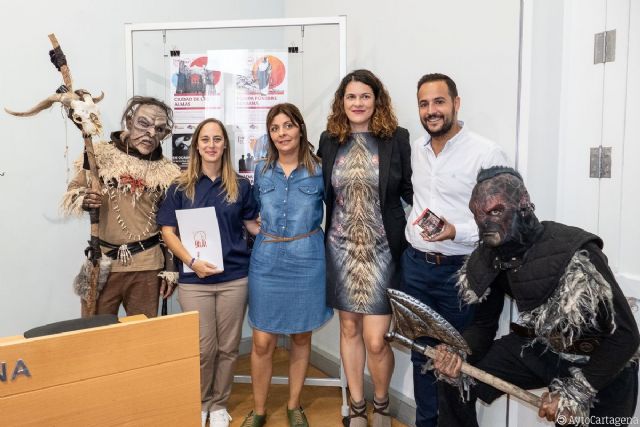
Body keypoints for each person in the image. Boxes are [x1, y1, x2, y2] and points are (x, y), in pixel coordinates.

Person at [433, 166, 640, 426]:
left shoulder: (574, 251)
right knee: (456, 378)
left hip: (601, 359)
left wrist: (576, 392)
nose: (486, 223)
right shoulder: (490, 256)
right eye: (478, 215)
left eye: (496, 211)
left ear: (523, 205)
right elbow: (483, 325)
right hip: (544, 347)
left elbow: (626, 336)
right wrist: (458, 353)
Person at [401, 73, 509, 427]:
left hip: (461, 273)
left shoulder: (486, 153)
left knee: (455, 365)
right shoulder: (417, 148)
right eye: (424, 104)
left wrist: (455, 231)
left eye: (439, 102)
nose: (431, 111)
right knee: (422, 355)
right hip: (416, 269)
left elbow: (505, 220)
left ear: (456, 103)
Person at [317, 69, 412, 427]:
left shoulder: (396, 138)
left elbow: (411, 191)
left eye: (365, 96)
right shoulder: (330, 139)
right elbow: (320, 191)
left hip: (383, 250)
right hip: (341, 247)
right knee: (349, 330)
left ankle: (382, 403)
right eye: (351, 97)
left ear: (377, 100)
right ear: (342, 102)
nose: (358, 103)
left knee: (376, 340)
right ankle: (357, 406)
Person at [157, 118, 260, 427]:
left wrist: (284, 231)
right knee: (204, 348)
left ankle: (219, 404)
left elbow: (252, 225)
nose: (211, 145)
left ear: (225, 145)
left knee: (228, 347)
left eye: (217, 139)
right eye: (205, 139)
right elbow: (167, 231)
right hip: (194, 279)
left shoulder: (241, 185)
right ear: (197, 146)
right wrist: (192, 261)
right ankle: (201, 402)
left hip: (234, 278)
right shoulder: (180, 186)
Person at [241, 103, 333, 427]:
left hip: (307, 260)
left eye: (288, 126)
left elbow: (337, 213)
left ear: (300, 129)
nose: (282, 133)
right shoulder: (262, 170)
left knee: (301, 337)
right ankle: (259, 410)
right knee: (262, 341)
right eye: (275, 128)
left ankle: (294, 406)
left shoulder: (320, 169)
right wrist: (256, 229)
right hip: (266, 261)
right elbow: (250, 213)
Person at [61, 96, 181, 318]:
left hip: (147, 265)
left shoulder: (168, 172)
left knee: (142, 333)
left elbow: (170, 225)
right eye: (144, 123)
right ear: (129, 121)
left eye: (159, 129)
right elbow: (74, 190)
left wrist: (171, 269)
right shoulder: (99, 155)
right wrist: (85, 198)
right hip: (102, 261)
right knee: (95, 331)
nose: (151, 133)